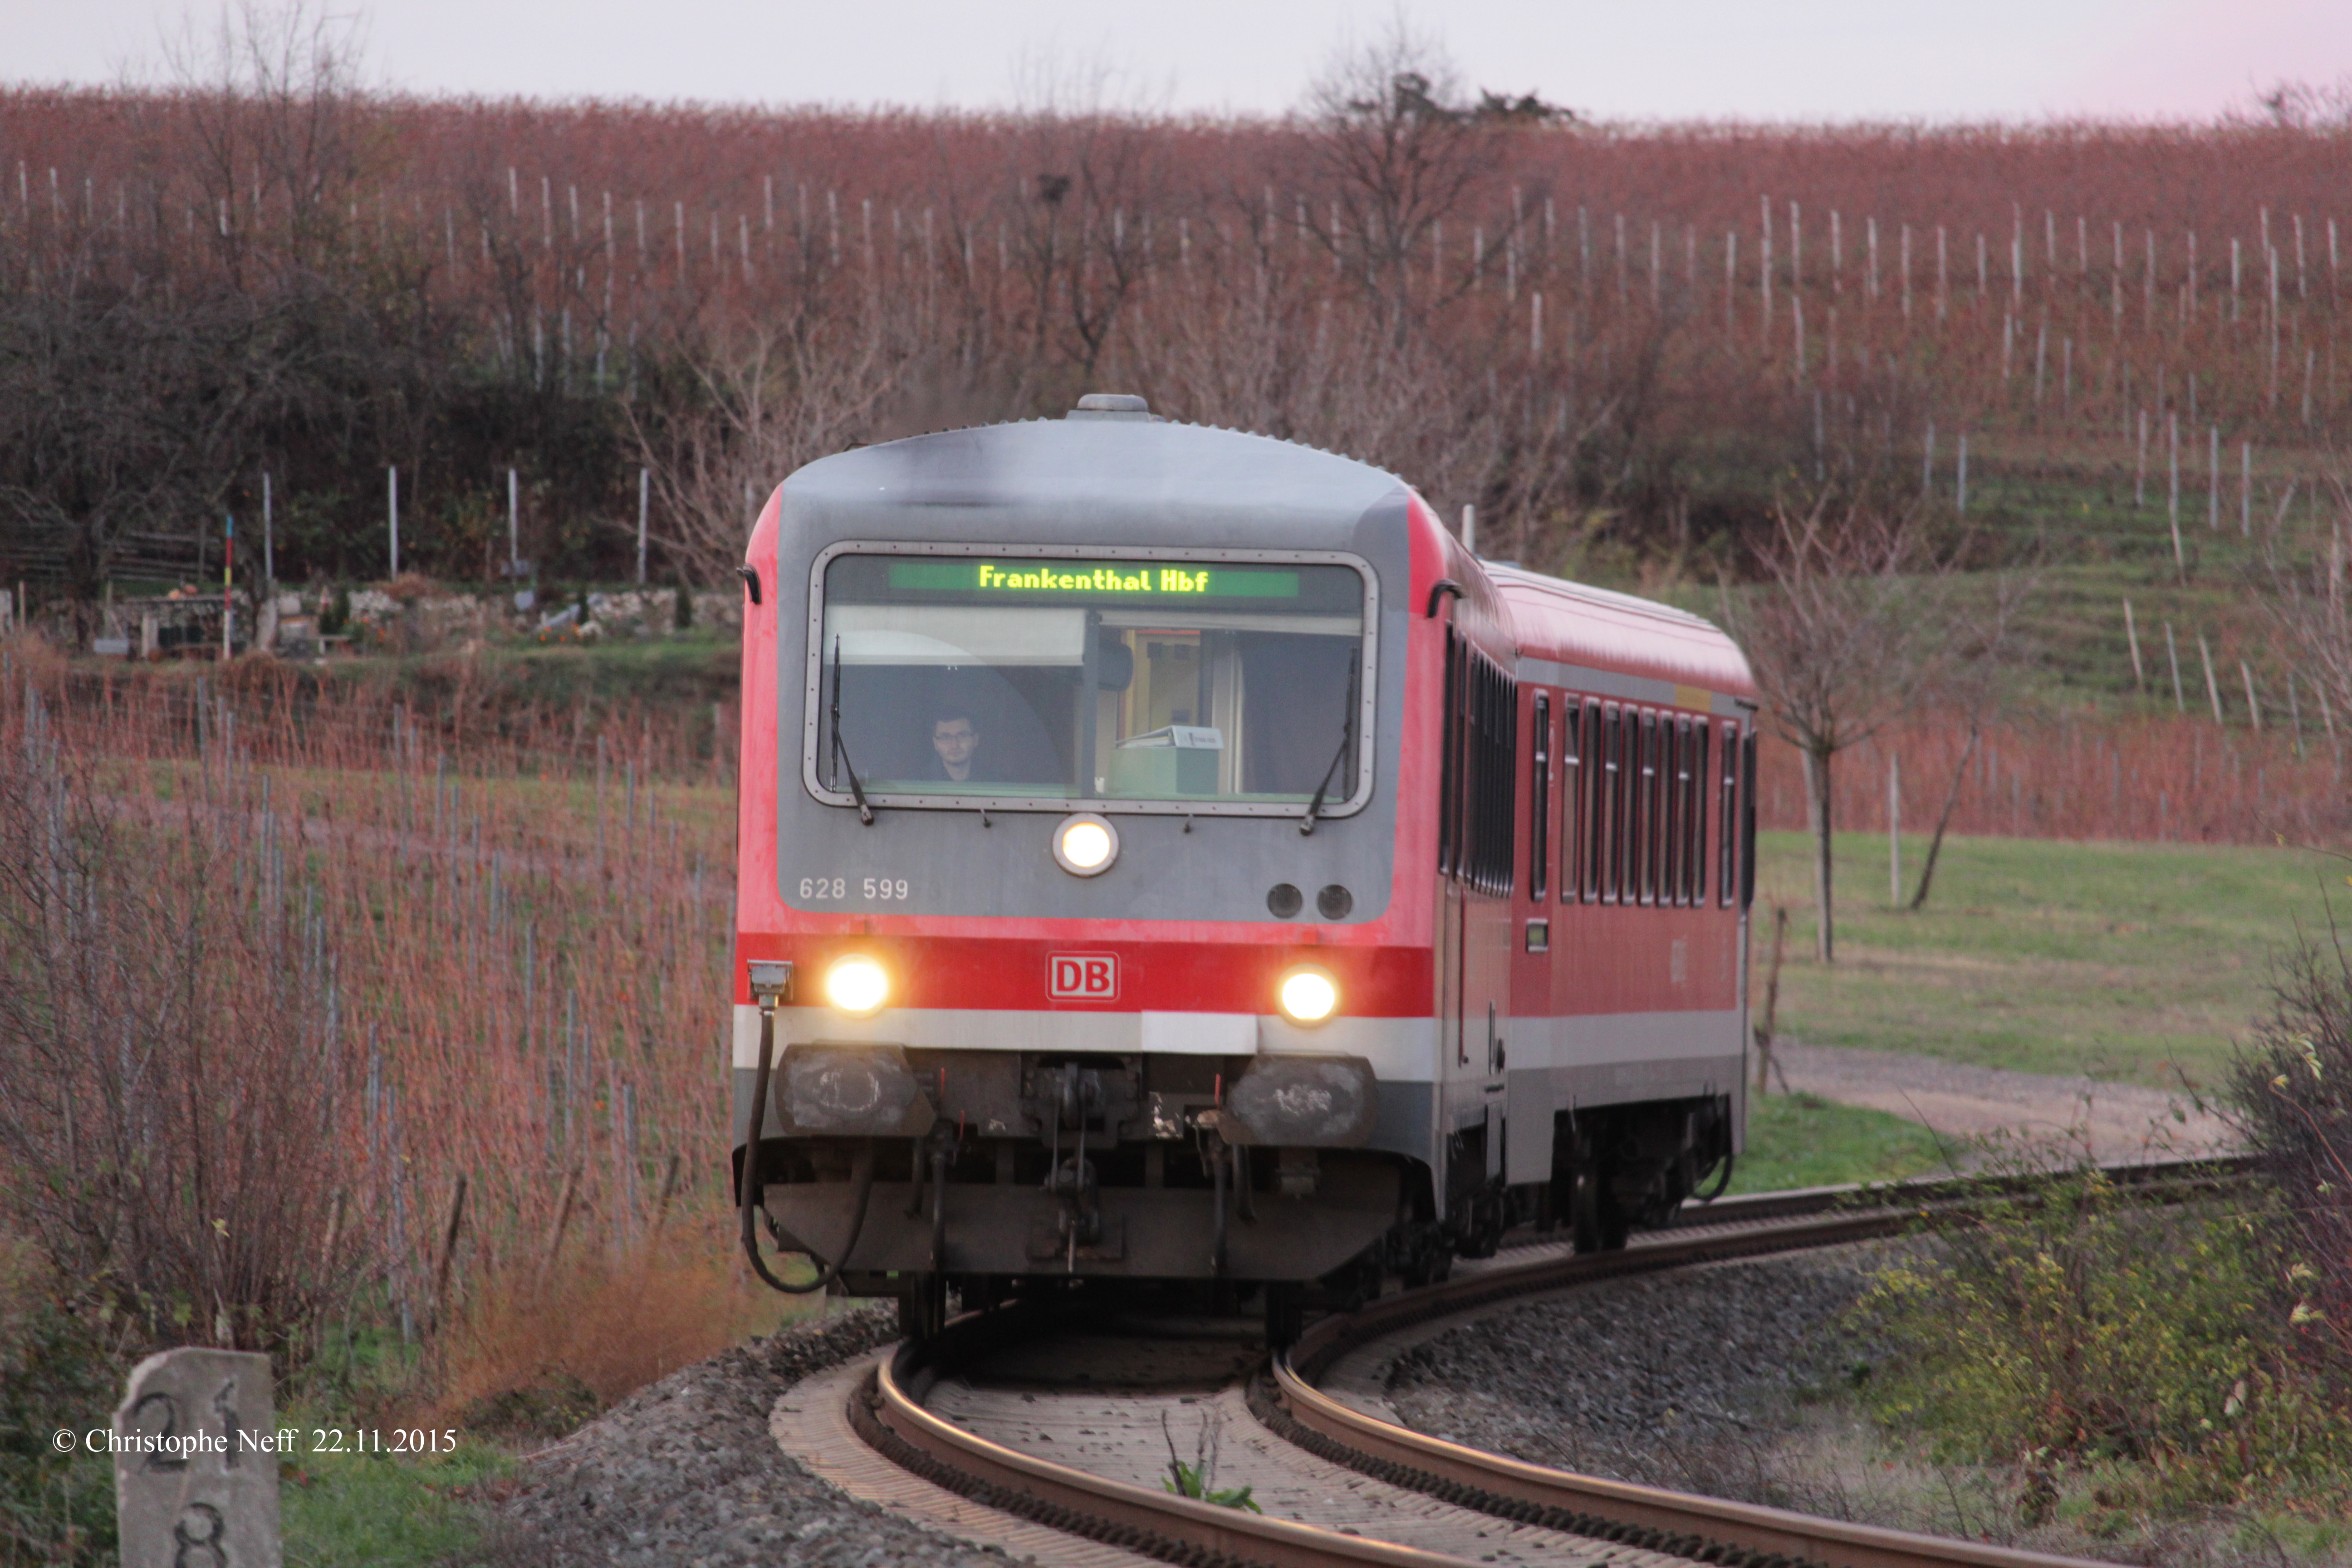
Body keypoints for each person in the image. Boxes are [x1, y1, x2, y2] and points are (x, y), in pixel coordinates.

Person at [930, 708, 981, 784]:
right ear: (936, 743)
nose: (955, 745)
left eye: (962, 736)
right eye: (946, 737)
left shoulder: (996, 781)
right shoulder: (919, 782)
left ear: (976, 740)